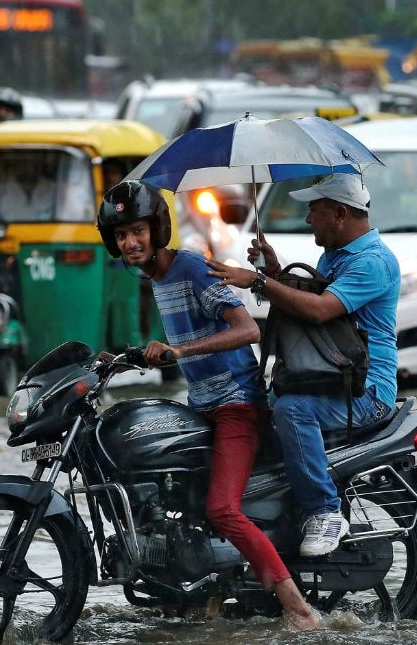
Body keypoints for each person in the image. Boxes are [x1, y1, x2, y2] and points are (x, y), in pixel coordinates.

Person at [96, 180, 321, 631]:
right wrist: (126, 359)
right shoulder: (156, 277)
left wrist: (181, 352)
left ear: (157, 229)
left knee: (221, 510)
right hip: (201, 403)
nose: (130, 242)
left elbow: (247, 331)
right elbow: (177, 339)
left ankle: (298, 608)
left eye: (137, 231)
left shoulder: (193, 268)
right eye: (121, 235)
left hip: (237, 402)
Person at [207, 172, 400, 558]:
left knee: (292, 410)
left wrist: (259, 282)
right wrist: (275, 271)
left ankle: (324, 511)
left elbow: (320, 310)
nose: (308, 219)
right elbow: (309, 303)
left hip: (366, 392)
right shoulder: (337, 256)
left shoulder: (373, 263)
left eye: (314, 210)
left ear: (340, 214)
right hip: (329, 379)